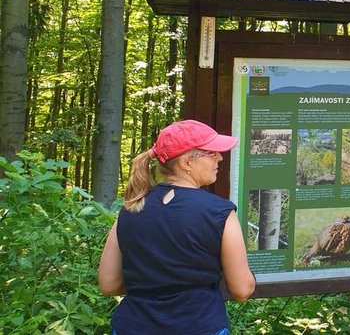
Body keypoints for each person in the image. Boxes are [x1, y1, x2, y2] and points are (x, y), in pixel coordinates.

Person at [98, 119, 256, 335]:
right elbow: (241, 289)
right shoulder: (220, 212)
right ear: (186, 162)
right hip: (199, 326)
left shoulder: (131, 209)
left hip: (132, 326)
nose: (219, 157)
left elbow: (109, 284)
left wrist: (153, 284)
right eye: (211, 152)